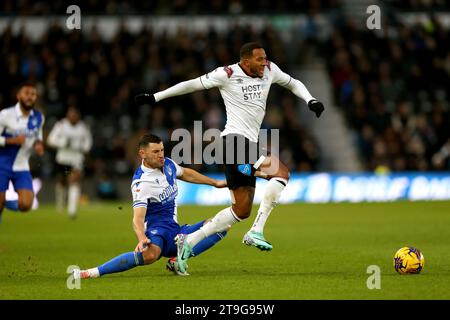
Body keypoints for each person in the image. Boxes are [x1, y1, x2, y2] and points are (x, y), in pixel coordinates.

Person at [135, 42, 324, 273]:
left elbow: (293, 83)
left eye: (265, 58)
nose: (264, 62)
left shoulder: (270, 70)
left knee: (241, 210)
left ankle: (189, 242)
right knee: (282, 172)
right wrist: (156, 97)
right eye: (259, 59)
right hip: (234, 141)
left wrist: (310, 99)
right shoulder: (227, 74)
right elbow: (192, 85)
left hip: (245, 145)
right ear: (245, 61)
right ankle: (257, 231)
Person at [73, 133, 227, 279]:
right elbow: (137, 218)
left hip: (176, 231)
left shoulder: (168, 164)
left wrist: (215, 183)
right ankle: (91, 272)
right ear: (142, 154)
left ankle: (177, 259)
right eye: (155, 152)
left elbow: (185, 173)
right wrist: (141, 238)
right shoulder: (142, 183)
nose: (160, 155)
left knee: (221, 225)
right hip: (157, 232)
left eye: (161, 150)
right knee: (150, 256)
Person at [0, 83, 45, 223]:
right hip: (2, 164)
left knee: (26, 205)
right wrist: (10, 141)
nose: (30, 97)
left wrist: (38, 145)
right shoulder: (6, 115)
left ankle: (3, 204)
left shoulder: (39, 117)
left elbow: (38, 136)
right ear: (18, 96)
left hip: (22, 166)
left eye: (33, 94)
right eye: (26, 93)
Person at [47, 107, 92, 218]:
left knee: (74, 181)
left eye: (75, 116)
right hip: (62, 159)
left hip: (76, 159)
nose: (73, 118)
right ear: (67, 116)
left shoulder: (83, 127)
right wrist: (62, 143)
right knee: (62, 183)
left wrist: (82, 147)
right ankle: (61, 204)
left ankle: (72, 210)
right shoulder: (61, 125)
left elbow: (88, 142)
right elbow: (50, 140)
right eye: (71, 115)